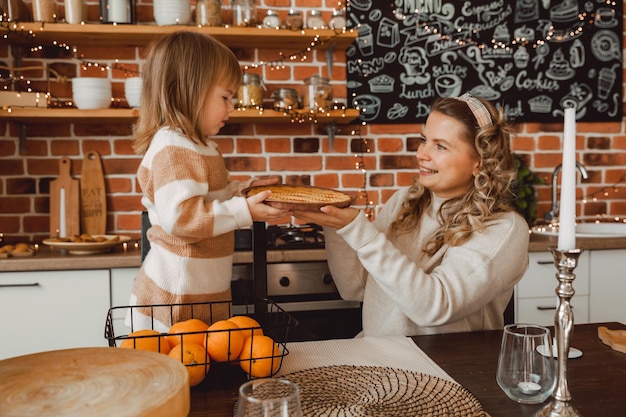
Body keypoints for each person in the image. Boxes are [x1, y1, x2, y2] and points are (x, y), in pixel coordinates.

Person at [293, 93, 529, 336]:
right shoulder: (404, 201)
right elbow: (356, 288)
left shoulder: (503, 228)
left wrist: (358, 229)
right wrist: (336, 224)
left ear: (479, 162)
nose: (421, 154)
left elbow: (435, 307)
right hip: (380, 361)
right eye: (423, 140)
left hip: (446, 369)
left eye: (440, 146)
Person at [127, 31, 289, 332]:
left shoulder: (203, 146)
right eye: (225, 97)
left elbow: (213, 198)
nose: (232, 107)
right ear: (189, 90)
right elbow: (183, 220)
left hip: (202, 292)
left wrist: (249, 191)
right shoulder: (172, 147)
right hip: (173, 298)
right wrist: (246, 211)